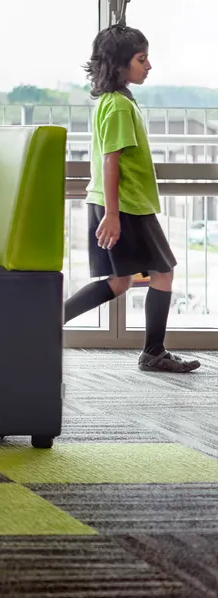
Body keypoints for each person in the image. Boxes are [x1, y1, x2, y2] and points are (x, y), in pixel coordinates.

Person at [62, 23, 200, 373]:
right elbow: (112, 160)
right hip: (124, 206)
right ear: (120, 65)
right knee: (162, 273)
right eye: (141, 59)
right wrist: (112, 215)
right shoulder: (120, 106)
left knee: (119, 281)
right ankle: (154, 353)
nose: (148, 65)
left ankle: (42, 323)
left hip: (118, 204)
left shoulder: (114, 101)